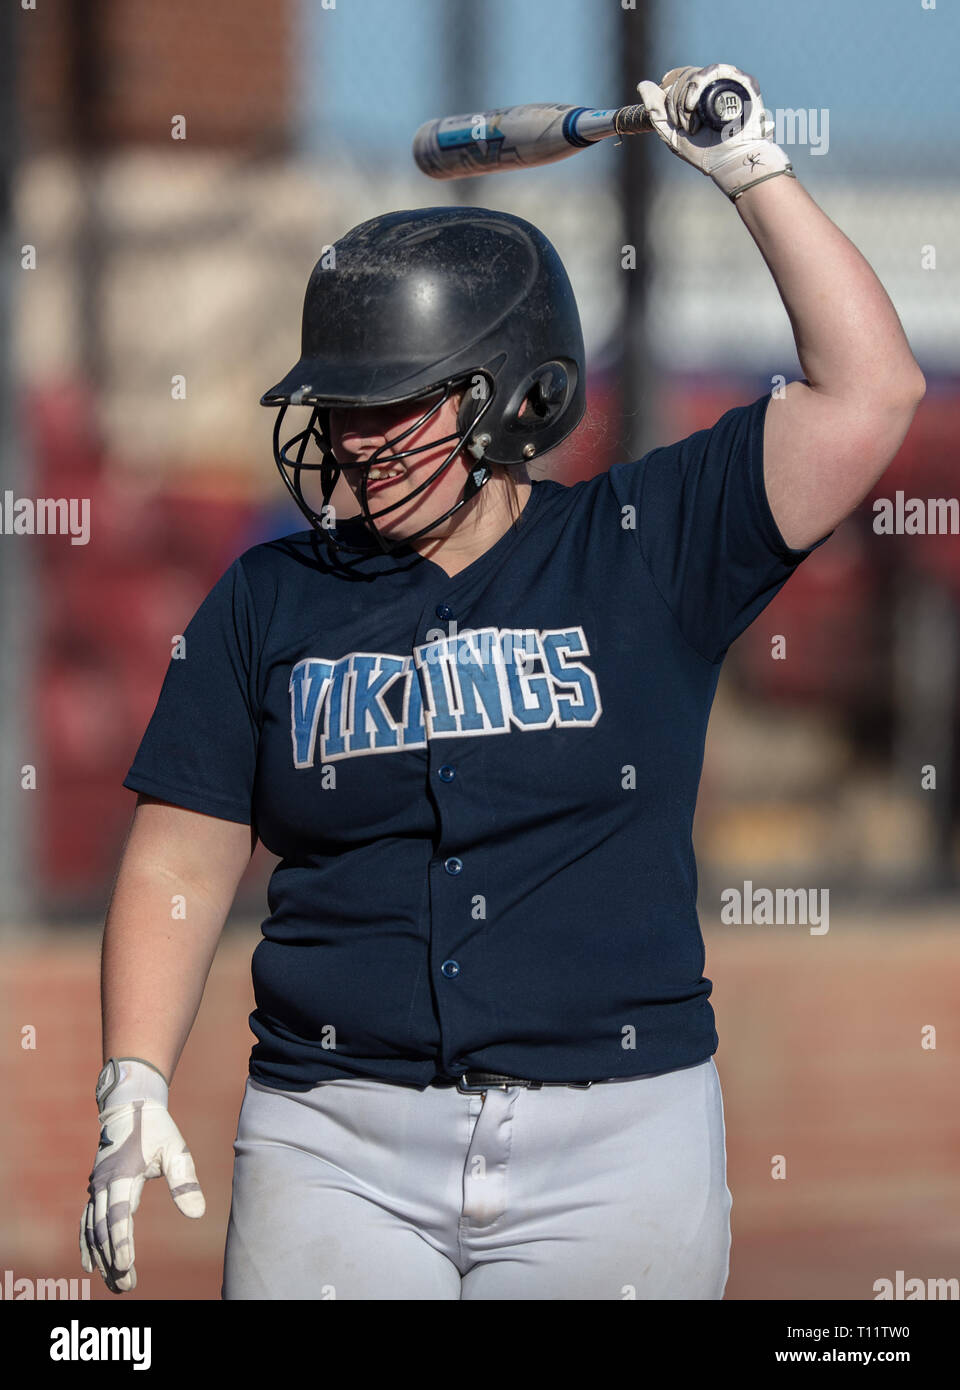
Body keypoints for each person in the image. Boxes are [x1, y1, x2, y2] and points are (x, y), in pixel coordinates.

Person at [80, 64, 924, 1300]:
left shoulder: (644, 547)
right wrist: (134, 1075)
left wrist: (752, 168)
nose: (356, 442)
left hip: (616, 1136)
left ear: (517, 396)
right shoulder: (270, 597)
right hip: (335, 1134)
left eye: (397, 407)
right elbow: (181, 853)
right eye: (341, 408)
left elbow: (872, 391)